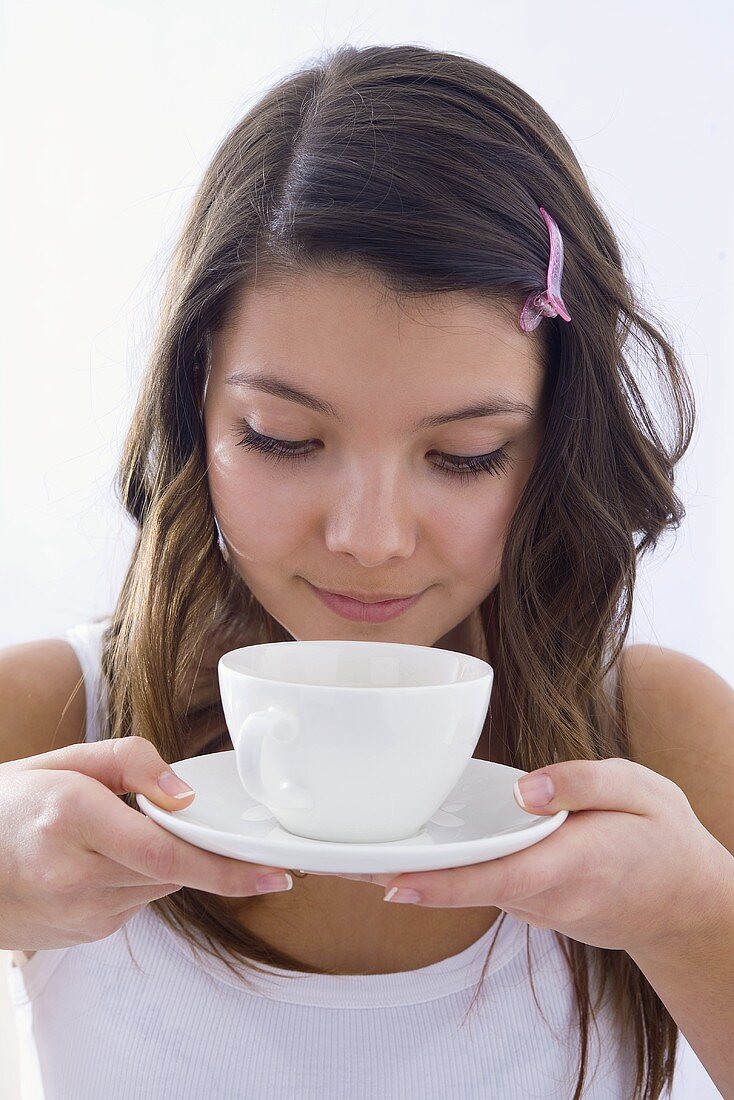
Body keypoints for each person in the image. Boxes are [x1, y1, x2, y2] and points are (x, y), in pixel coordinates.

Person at [1, 42, 729, 1100]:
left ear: (555, 444)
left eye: (463, 454)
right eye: (283, 437)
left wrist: (692, 916)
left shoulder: (658, 745)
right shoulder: (54, 724)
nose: (371, 536)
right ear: (193, 415)